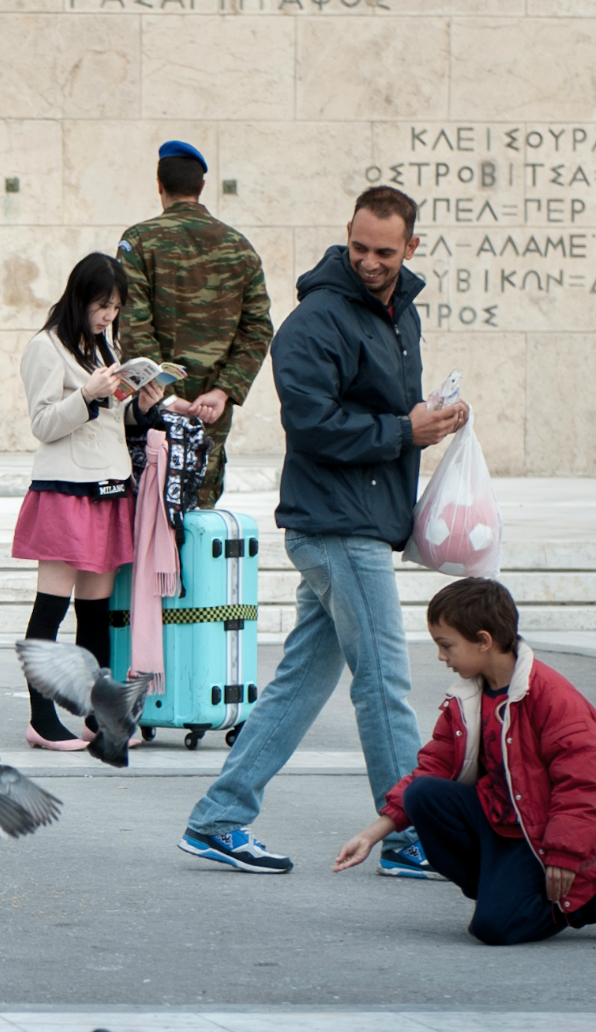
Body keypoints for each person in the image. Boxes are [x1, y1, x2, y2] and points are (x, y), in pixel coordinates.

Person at [178, 186, 469, 875]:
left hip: (357, 519)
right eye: (358, 247)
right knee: (383, 683)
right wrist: (404, 430)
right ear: (346, 234)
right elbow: (309, 424)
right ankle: (406, 837)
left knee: (299, 684)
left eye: (384, 251)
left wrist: (425, 418)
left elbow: (382, 412)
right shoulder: (314, 321)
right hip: (336, 525)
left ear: (411, 247)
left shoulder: (401, 316)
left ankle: (217, 818)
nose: (368, 261)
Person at [335, 579, 596, 944]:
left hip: (548, 836)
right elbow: (433, 766)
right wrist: (370, 836)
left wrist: (564, 855)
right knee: (423, 794)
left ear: (483, 640)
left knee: (492, 929)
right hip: (502, 822)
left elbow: (585, 784)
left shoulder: (555, 699)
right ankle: (508, 891)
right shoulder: (469, 694)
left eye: (447, 646)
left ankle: (595, 900)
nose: (441, 657)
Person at [13, 252, 170, 749]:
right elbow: (42, 424)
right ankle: (41, 719)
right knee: (51, 607)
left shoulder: (106, 347)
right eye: (103, 306)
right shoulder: (46, 347)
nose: (108, 316)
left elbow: (110, 423)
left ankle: (96, 716)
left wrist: (142, 403)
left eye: (115, 308)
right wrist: (86, 395)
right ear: (80, 298)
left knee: (96, 613)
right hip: (65, 491)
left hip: (108, 486)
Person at [115, 140, 274, 509]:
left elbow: (133, 323)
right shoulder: (240, 247)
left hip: (152, 410)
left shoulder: (138, 241)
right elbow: (258, 329)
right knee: (198, 513)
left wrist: (164, 396)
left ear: (160, 186)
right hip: (209, 412)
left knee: (147, 515)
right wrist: (222, 392)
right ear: (202, 187)